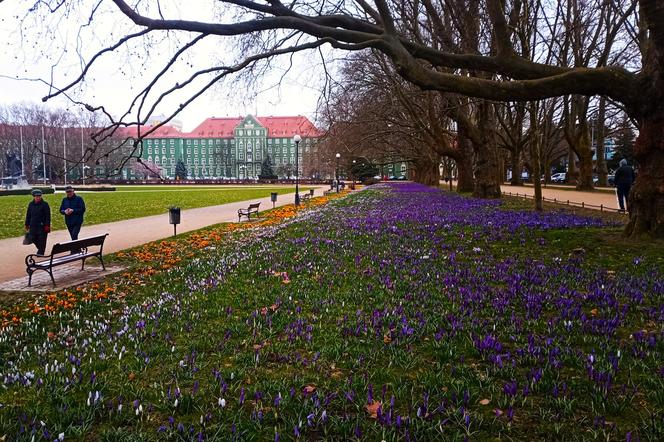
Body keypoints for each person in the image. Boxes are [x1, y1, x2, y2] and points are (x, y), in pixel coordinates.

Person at [24, 189, 51, 256]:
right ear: (34, 196)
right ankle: (40, 248)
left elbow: (48, 215)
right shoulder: (31, 204)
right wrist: (26, 224)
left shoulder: (45, 204)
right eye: (36, 196)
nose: (38, 197)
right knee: (32, 238)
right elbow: (28, 215)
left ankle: (41, 252)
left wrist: (47, 225)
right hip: (33, 225)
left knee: (42, 239)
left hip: (42, 225)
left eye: (39, 196)